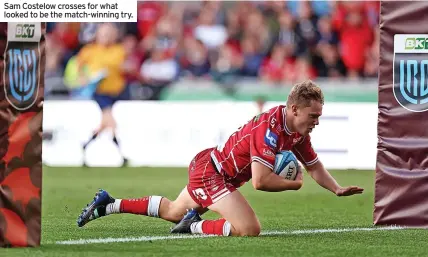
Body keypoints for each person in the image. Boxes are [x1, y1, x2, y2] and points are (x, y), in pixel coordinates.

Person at [77, 80, 364, 236]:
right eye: (313, 116)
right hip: (212, 174)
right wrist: (294, 184)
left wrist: (336, 188)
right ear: (294, 109)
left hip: (214, 170)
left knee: (173, 211)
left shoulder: (297, 133)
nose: (317, 121)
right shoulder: (269, 128)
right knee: (249, 229)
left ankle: (109, 204)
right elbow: (260, 181)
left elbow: (314, 167)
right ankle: (195, 226)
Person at [77, 23, 130, 166]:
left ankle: (86, 144)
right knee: (111, 122)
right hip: (100, 92)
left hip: (117, 92)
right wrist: (84, 78)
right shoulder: (90, 51)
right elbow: (79, 65)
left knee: (104, 124)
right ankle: (122, 154)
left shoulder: (119, 50)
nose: (106, 37)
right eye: (104, 34)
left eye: (109, 34)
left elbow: (125, 67)